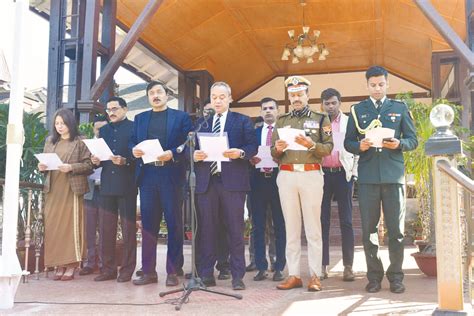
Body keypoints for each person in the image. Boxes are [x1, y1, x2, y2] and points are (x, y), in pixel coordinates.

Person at [344, 66, 417, 294]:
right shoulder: (357, 110)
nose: (377, 88)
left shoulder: (399, 108)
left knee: (396, 230)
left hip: (393, 176)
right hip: (367, 178)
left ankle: (396, 276)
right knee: (369, 231)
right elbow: (348, 142)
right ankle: (374, 276)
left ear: (387, 85)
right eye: (373, 85)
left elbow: (413, 140)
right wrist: (360, 146)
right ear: (367, 85)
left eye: (381, 84)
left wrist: (400, 144)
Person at [193, 81, 258, 290]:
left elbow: (252, 146)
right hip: (207, 183)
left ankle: (237, 276)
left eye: (222, 97)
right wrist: (193, 155)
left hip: (233, 183)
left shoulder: (242, 121)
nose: (218, 101)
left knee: (235, 230)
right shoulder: (202, 123)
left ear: (230, 99)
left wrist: (240, 153)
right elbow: (191, 148)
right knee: (207, 230)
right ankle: (206, 273)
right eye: (214, 97)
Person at [271, 76, 333, 292]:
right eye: (293, 95)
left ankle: (315, 275)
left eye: (300, 94)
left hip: (311, 175)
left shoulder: (320, 118)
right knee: (291, 227)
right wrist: (277, 149)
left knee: (313, 227)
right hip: (287, 175)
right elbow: (273, 153)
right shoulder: (281, 120)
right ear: (289, 97)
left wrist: (311, 144)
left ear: (307, 95)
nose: (296, 98)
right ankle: (294, 274)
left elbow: (328, 149)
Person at [130, 81, 192, 286]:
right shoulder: (140, 118)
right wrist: (133, 150)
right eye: (151, 93)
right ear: (148, 97)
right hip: (147, 175)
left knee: (174, 224)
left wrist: (173, 154)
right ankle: (148, 271)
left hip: (171, 175)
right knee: (149, 225)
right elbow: (131, 141)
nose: (155, 96)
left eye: (159, 92)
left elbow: (188, 144)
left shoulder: (181, 118)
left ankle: (173, 271)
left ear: (167, 95)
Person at [38, 108, 93, 281]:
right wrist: (41, 168)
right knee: (54, 227)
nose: (60, 127)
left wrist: (71, 167)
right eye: (57, 123)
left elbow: (89, 165)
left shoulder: (80, 141)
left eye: (63, 123)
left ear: (70, 123)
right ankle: (58, 264)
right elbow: (45, 163)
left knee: (71, 226)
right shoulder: (50, 141)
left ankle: (71, 265)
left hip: (71, 188)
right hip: (53, 188)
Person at [92, 97, 137, 283]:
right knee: (106, 230)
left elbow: (140, 156)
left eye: (115, 108)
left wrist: (126, 161)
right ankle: (107, 269)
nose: (111, 112)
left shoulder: (135, 128)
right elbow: (101, 158)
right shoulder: (103, 131)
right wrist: (95, 160)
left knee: (128, 231)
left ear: (125, 109)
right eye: (108, 109)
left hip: (127, 184)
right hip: (107, 185)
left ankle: (126, 270)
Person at [320, 88, 358, 281]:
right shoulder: (319, 122)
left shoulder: (349, 122)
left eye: (334, 103)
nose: (330, 106)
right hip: (323, 174)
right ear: (322, 105)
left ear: (339, 103)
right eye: (327, 103)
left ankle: (348, 266)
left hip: (343, 174)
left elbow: (356, 147)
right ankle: (323, 265)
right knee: (323, 221)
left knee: (347, 221)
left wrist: (353, 173)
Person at [249, 97, 286, 282]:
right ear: (261, 112)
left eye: (272, 108)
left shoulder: (284, 133)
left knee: (279, 225)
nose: (268, 111)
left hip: (279, 181)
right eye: (265, 108)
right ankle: (261, 267)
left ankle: (279, 266)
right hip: (257, 182)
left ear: (277, 111)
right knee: (258, 226)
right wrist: (250, 159)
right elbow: (247, 151)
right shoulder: (253, 133)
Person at [79, 115, 108, 276]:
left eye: (104, 128)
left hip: (107, 191)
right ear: (93, 129)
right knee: (89, 229)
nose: (100, 131)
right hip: (90, 190)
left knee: (105, 229)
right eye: (98, 128)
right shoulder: (86, 146)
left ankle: (105, 263)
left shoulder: (113, 144)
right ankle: (90, 263)